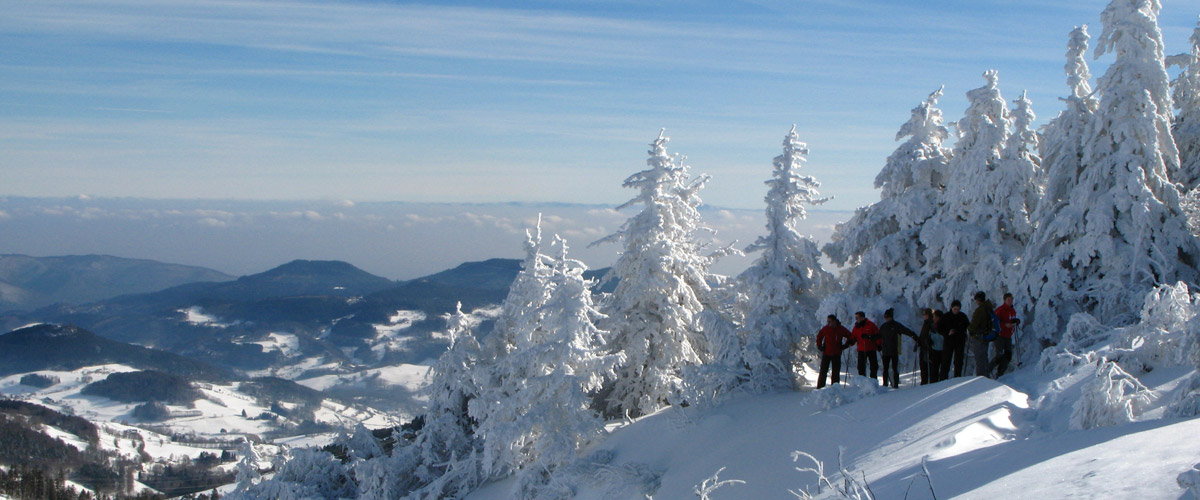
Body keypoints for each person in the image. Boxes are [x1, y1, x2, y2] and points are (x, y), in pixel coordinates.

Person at [877, 308, 917, 388]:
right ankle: (885, 383)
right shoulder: (883, 326)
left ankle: (896, 384)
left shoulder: (896, 325)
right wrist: (871, 338)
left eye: (887, 317)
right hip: (885, 350)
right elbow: (878, 336)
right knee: (885, 368)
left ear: (891, 317)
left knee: (895, 368)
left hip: (894, 350)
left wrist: (913, 335)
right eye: (885, 317)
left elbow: (905, 330)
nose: (886, 318)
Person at [815, 314, 853, 388]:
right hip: (827, 353)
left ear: (834, 321)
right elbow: (819, 336)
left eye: (830, 322)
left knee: (835, 372)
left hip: (836, 353)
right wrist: (819, 346)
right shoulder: (826, 329)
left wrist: (846, 345)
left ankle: (835, 388)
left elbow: (850, 336)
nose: (828, 323)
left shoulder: (841, 329)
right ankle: (820, 388)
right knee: (823, 372)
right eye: (828, 322)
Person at [968, 291, 997, 378]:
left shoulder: (980, 310)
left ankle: (981, 379)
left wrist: (970, 329)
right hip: (986, 336)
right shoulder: (989, 308)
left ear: (978, 300)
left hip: (979, 337)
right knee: (984, 357)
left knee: (979, 359)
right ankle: (986, 376)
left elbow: (974, 324)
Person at [991, 292, 1019, 378]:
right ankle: (988, 370)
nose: (1010, 301)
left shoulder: (1012, 310)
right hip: (1000, 335)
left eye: (1011, 300)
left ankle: (1000, 374)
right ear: (1004, 300)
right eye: (1008, 300)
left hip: (1008, 335)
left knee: (1008, 355)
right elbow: (994, 322)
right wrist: (1004, 325)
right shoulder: (1000, 310)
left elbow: (1011, 320)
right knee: (999, 355)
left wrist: (1016, 322)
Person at [851, 311, 880, 382]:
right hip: (861, 349)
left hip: (871, 348)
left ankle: (873, 381)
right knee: (861, 367)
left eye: (857, 317)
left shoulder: (870, 325)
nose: (856, 319)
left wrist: (879, 344)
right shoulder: (856, 327)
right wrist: (851, 341)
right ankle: (862, 382)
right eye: (856, 318)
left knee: (873, 366)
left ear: (862, 317)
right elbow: (853, 337)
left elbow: (878, 335)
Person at [944, 300, 970, 378]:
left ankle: (957, 376)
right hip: (949, 341)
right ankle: (944, 377)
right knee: (946, 359)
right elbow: (940, 328)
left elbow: (967, 326)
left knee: (958, 360)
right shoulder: (946, 316)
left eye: (958, 309)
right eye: (955, 309)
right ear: (951, 308)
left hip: (960, 341)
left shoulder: (962, 316)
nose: (956, 311)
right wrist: (947, 333)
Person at [915, 308, 935, 385]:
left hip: (928, 348)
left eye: (925, 314)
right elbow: (923, 335)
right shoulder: (926, 323)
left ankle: (927, 382)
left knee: (926, 365)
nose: (924, 316)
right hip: (923, 347)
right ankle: (924, 381)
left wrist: (928, 341)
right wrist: (918, 342)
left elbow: (932, 335)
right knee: (923, 365)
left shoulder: (931, 323)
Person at [929, 309, 947, 384]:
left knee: (943, 368)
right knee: (934, 368)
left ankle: (942, 382)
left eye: (936, 317)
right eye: (934, 317)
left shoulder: (944, 325)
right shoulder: (932, 326)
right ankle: (933, 383)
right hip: (934, 349)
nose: (934, 318)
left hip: (943, 349)